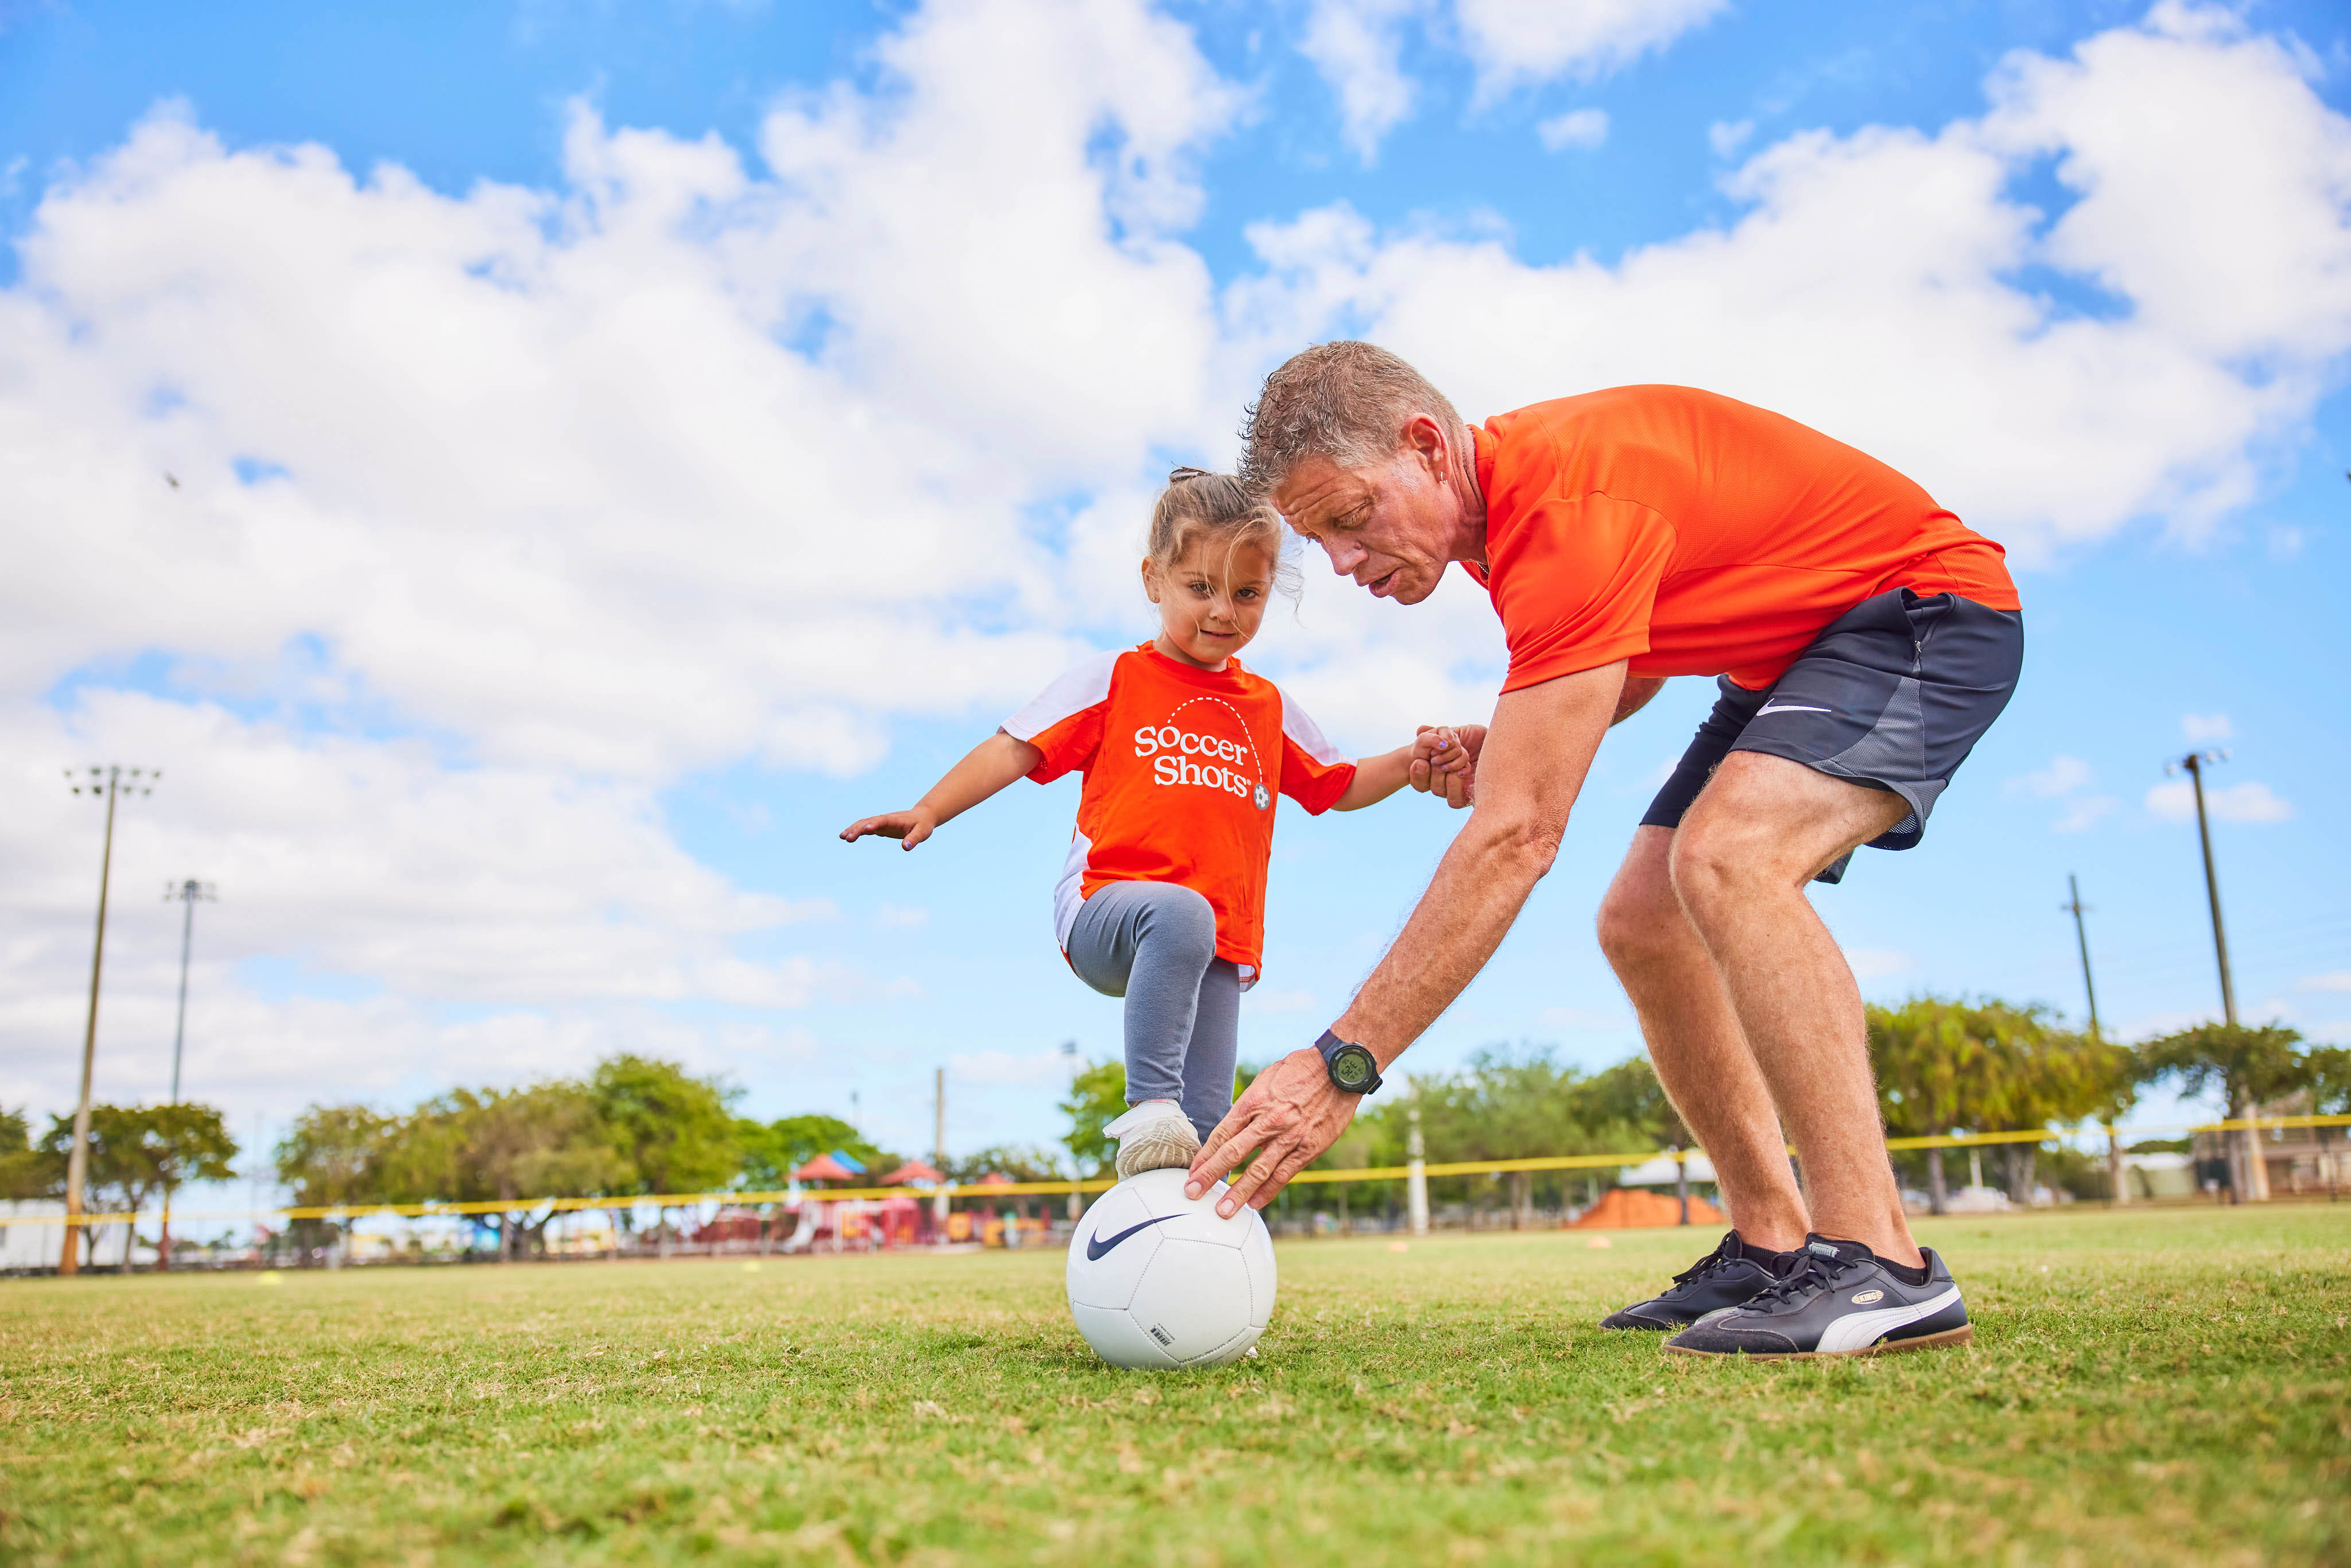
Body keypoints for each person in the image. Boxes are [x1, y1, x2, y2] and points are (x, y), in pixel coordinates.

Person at [1186, 343, 2023, 1360]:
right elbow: (1621, 673)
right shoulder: (1504, 536)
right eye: (1321, 541)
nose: (1345, 565)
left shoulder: (1567, 512)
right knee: (1642, 921)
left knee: (1728, 857)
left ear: (1426, 448)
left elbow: (1516, 837)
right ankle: (1771, 1243)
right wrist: (1523, 742)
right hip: (1788, 653)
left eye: (1353, 520)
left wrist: (1341, 1064)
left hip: (1921, 608)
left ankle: (1881, 1266)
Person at [842, 467, 1471, 1181]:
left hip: (1221, 947)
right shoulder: (1114, 677)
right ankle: (1144, 1107)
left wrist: (1413, 758)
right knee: (1178, 923)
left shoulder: (1268, 706)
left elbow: (1341, 782)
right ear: (1154, 579)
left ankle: (1181, 1242)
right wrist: (930, 808)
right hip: (1109, 911)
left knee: (1202, 1132)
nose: (1222, 612)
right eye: (1200, 587)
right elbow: (1014, 745)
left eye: (1246, 593)